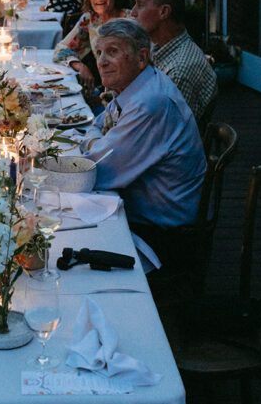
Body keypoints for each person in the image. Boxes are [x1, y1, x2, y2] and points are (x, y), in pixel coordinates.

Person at [81, 19, 206, 265]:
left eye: (113, 52)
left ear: (141, 58)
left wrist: (94, 145)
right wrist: (97, 142)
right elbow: (96, 126)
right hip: (140, 213)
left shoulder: (150, 102)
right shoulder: (137, 85)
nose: (102, 62)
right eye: (99, 53)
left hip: (163, 236)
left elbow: (97, 170)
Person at [131, 0, 217, 128]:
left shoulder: (178, 71)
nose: (133, 12)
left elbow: (161, 132)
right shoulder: (161, 47)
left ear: (163, 12)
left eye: (140, 5)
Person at [53, 0, 126, 85]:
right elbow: (61, 49)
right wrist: (79, 66)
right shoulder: (90, 20)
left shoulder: (129, 21)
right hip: (105, 86)